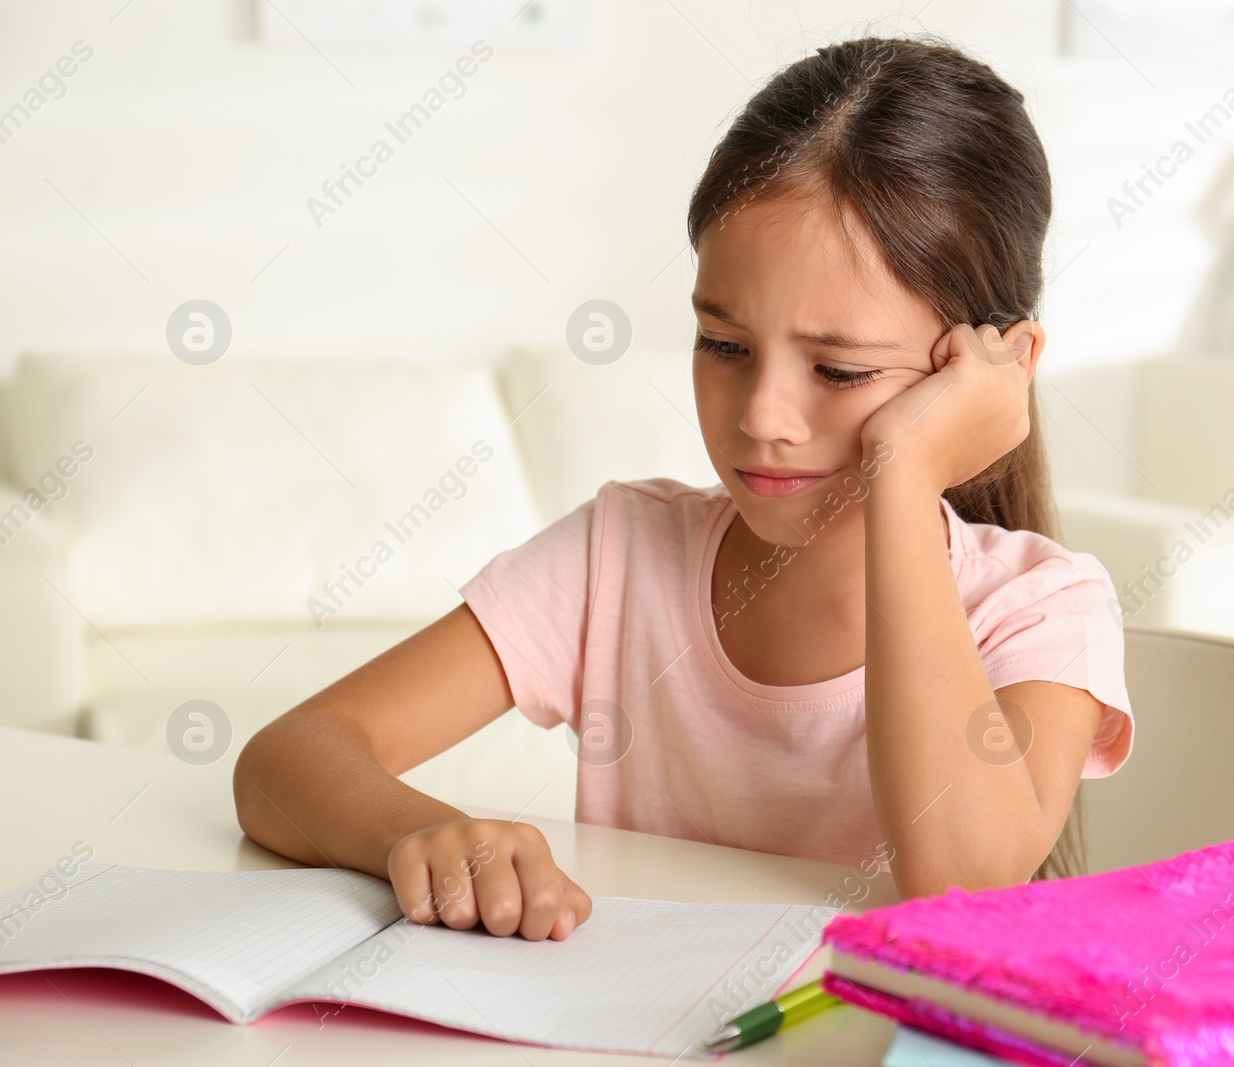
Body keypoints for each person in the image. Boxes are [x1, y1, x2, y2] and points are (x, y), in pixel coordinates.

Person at [234, 34, 1134, 944]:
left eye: (839, 369)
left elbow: (960, 877)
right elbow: (283, 761)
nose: (764, 415)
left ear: (991, 374)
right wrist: (419, 831)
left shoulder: (1042, 608)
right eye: (725, 346)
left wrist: (904, 475)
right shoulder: (620, 555)